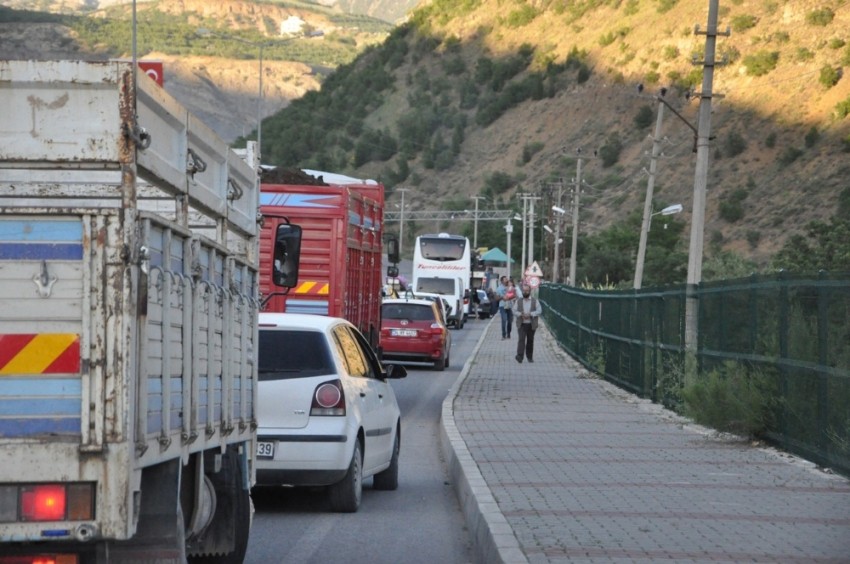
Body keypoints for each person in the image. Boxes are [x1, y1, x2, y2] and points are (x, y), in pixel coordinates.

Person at [513, 283, 541, 363]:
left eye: (527, 291)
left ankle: (529, 357)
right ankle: (520, 356)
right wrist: (520, 314)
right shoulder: (518, 301)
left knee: (530, 340)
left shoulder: (535, 301)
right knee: (521, 339)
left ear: (530, 291)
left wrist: (531, 314)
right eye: (524, 291)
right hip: (521, 324)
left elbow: (539, 310)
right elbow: (514, 310)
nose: (525, 292)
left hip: (531, 324)